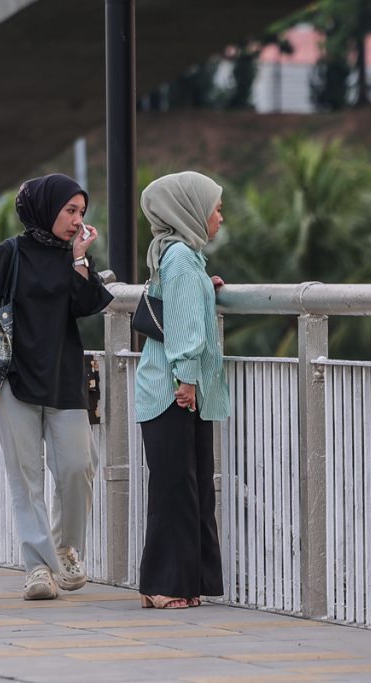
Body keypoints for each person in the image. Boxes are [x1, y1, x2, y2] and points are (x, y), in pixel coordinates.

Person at [0, 173, 112, 600]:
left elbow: (87, 305)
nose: (77, 220)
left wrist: (80, 259)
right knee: (25, 477)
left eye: (81, 212)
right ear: (46, 209)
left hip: (64, 375)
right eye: (70, 211)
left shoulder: (72, 257)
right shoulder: (9, 253)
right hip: (13, 379)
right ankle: (38, 568)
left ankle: (65, 549)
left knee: (78, 467)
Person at [135, 171, 229, 609]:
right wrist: (187, 379)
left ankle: (182, 583)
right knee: (177, 490)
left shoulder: (178, 257)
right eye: (215, 209)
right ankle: (164, 586)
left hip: (168, 388)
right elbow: (186, 327)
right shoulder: (180, 259)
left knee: (186, 487)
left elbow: (182, 304)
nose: (220, 218)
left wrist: (206, 287)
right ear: (190, 211)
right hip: (173, 391)